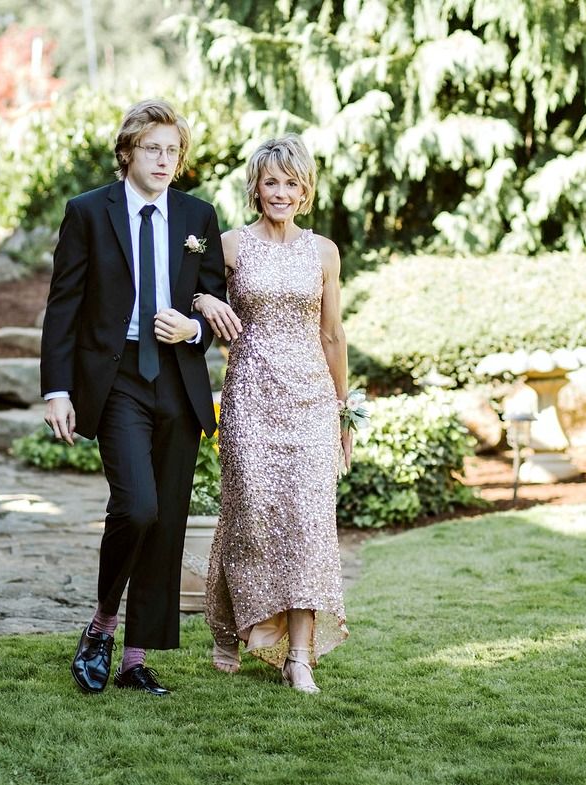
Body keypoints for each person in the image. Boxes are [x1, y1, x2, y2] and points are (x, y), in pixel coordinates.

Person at [41, 99, 240, 695]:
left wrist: (196, 328)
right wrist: (56, 389)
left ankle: (134, 659)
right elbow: (64, 306)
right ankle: (101, 626)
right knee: (138, 507)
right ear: (127, 152)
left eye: (173, 150)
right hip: (117, 375)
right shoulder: (87, 212)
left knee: (169, 520)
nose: (163, 159)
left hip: (178, 380)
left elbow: (211, 298)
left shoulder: (198, 217)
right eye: (152, 148)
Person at [195, 134, 352, 694]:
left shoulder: (324, 251)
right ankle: (230, 625)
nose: (281, 192)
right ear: (256, 188)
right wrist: (203, 300)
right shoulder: (232, 246)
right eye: (271, 182)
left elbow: (332, 334)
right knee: (250, 519)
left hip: (310, 403)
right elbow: (184, 285)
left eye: (291, 182)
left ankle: (300, 658)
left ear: (304, 190)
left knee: (311, 527)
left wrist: (342, 412)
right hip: (250, 400)